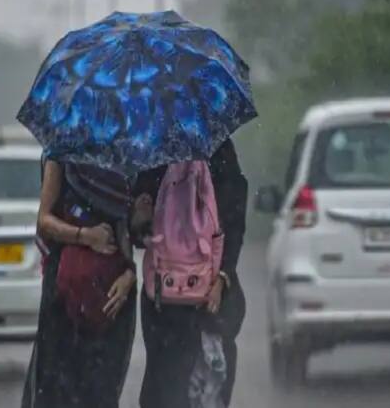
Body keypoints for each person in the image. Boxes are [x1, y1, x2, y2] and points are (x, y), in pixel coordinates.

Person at [133, 138, 248, 408]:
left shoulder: (156, 151)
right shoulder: (217, 149)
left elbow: (140, 233)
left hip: (174, 298)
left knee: (172, 386)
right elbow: (233, 219)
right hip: (192, 300)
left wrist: (222, 276)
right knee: (198, 386)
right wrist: (223, 276)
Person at [21, 159, 137, 408]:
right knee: (57, 388)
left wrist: (129, 274)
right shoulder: (62, 149)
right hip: (65, 290)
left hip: (111, 292)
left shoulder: (125, 152)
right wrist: (86, 237)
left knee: (101, 390)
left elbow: (127, 229)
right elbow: (44, 221)